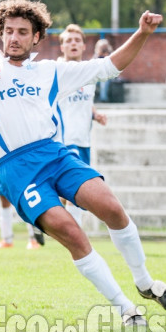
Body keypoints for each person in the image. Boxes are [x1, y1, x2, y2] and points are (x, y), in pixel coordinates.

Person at [0, 0, 166, 326]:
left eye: (22, 32)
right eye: (8, 31)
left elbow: (111, 66)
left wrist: (142, 32)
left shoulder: (49, 71)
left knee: (112, 207)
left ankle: (145, 283)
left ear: (36, 38)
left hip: (55, 154)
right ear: (1, 34)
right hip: (16, 170)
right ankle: (125, 309)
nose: (14, 38)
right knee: (70, 232)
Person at [54, 24, 108, 227]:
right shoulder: (55, 72)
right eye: (68, 40)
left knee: (70, 192)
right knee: (77, 188)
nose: (73, 43)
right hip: (61, 141)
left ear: (84, 46)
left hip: (84, 140)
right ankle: (73, 232)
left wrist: (96, 115)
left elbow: (85, 101)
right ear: (62, 47)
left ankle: (45, 222)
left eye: (77, 40)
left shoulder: (90, 73)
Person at [0, 151, 44, 250]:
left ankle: (33, 239)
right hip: (0, 165)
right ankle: (6, 239)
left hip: (19, 163)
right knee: (4, 202)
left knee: (26, 199)